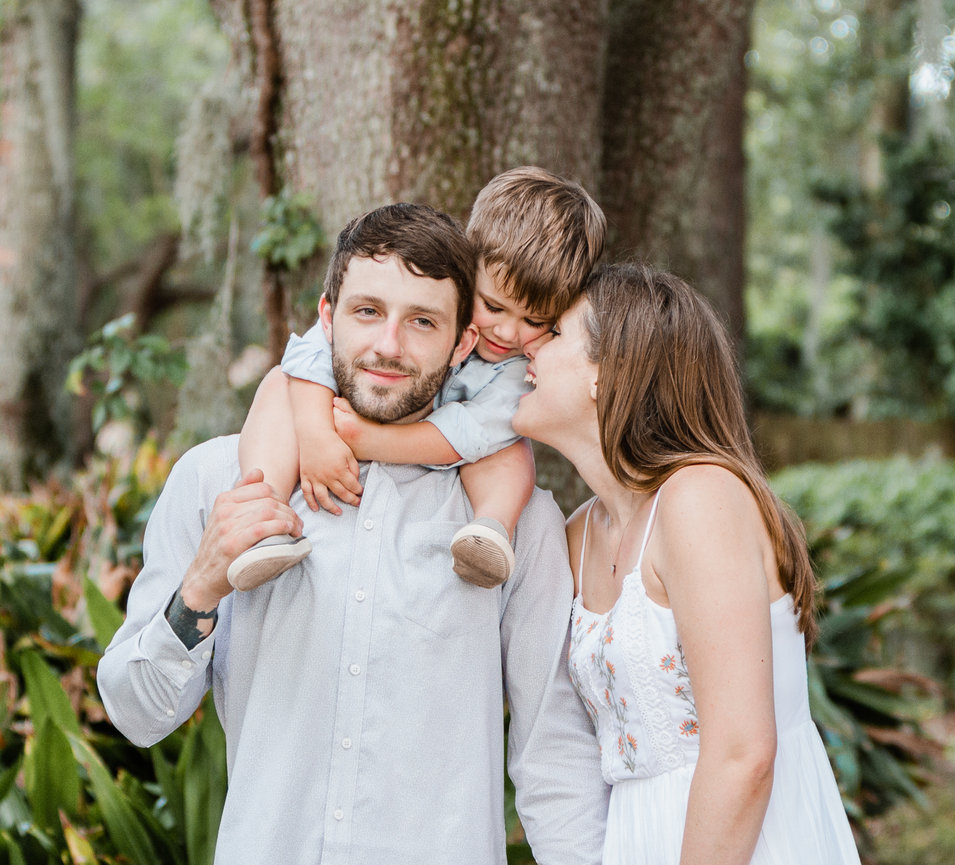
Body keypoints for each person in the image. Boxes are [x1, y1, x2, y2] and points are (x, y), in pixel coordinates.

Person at [97, 203, 608, 865]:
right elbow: (138, 716)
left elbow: (554, 751)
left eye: (422, 321)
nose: (389, 345)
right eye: (368, 311)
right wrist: (199, 587)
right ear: (327, 316)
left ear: (462, 343)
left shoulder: (515, 523)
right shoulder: (217, 479)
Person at [512, 262, 861, 865]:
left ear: (607, 370)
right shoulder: (577, 536)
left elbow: (743, 754)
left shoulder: (700, 497)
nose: (526, 346)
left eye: (554, 333)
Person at [230, 167, 605, 591]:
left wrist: (368, 439)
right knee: (281, 383)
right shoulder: (420, 297)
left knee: (510, 448)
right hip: (345, 420)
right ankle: (264, 515)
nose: (506, 333)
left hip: (448, 447)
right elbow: (310, 353)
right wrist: (316, 433)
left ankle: (490, 529)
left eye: (534, 319)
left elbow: (472, 433)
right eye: (493, 306)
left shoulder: (521, 367)